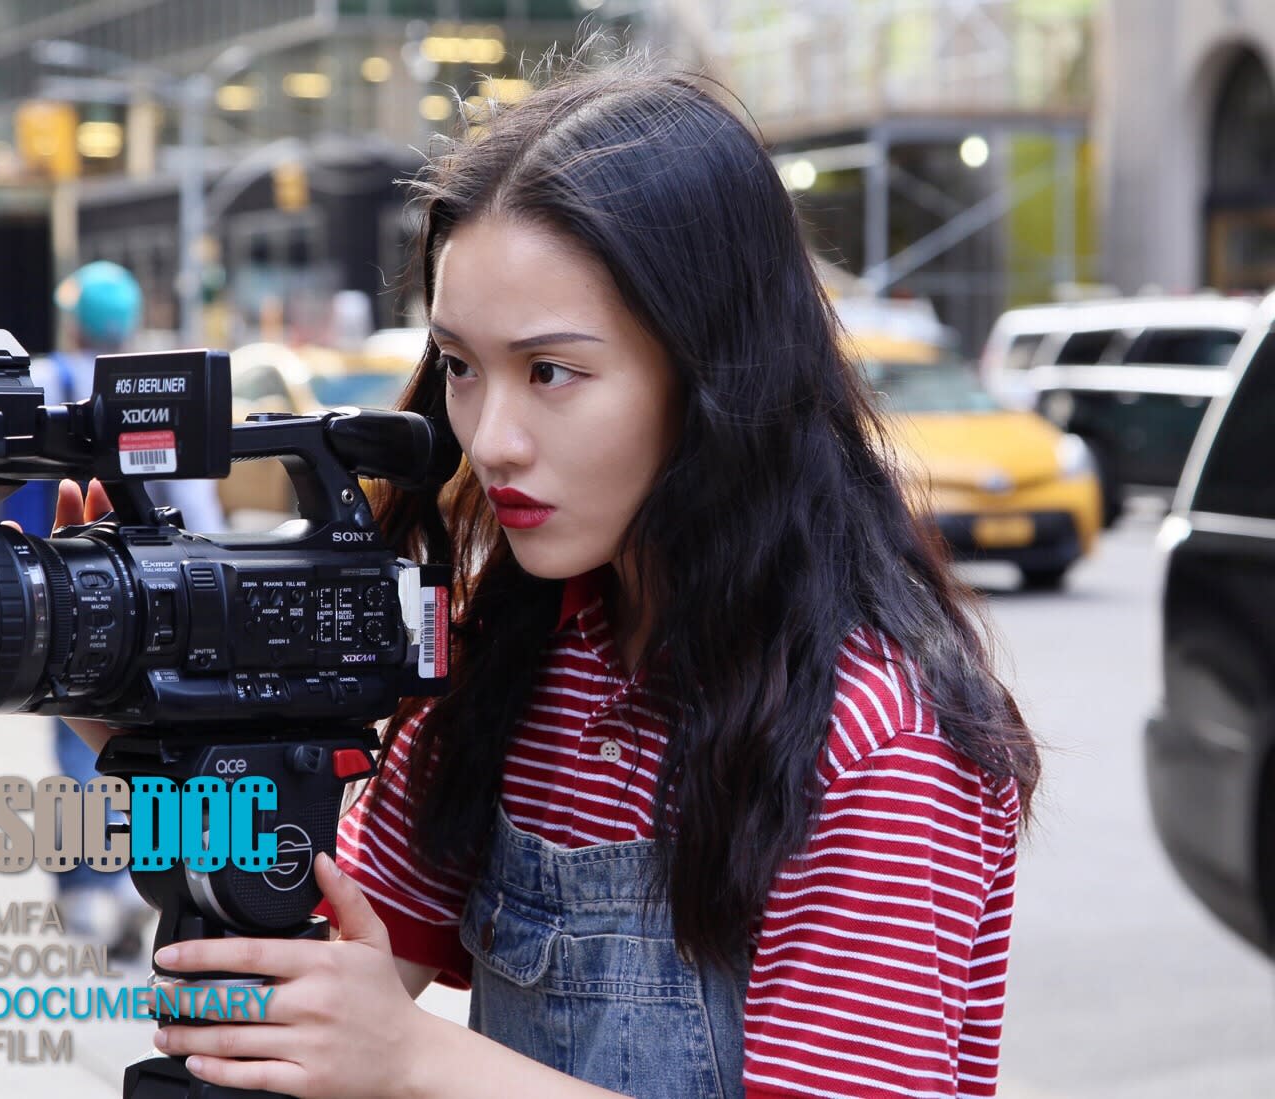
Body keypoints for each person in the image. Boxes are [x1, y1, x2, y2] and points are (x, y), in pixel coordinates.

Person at [62, 52, 1038, 1099]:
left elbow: (385, 1037)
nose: (491, 438)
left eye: (551, 371)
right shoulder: (528, 653)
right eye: (461, 366)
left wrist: (413, 1058)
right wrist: (159, 740)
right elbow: (324, 965)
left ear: (712, 370)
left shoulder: (872, 733)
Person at [12, 262, 224, 955]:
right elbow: (196, 506)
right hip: (150, 598)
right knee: (147, 748)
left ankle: (83, 894)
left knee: (77, 747)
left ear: (71, 317)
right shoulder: (156, 391)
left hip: (58, 594)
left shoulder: (46, 380)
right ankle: (145, 886)